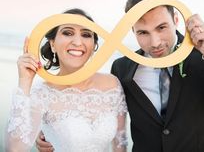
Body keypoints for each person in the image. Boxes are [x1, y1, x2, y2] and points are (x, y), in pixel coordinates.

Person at [36, 0, 204, 152]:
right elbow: (92, 105)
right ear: (132, 30)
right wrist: (50, 130)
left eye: (161, 28)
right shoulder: (122, 68)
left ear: (176, 20)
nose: (155, 42)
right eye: (143, 32)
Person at [5, 8, 128, 152]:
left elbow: (121, 144)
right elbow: (14, 149)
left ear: (94, 46)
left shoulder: (112, 84)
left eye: (86, 34)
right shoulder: (42, 93)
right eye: (68, 33)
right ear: (52, 44)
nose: (77, 42)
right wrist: (24, 81)